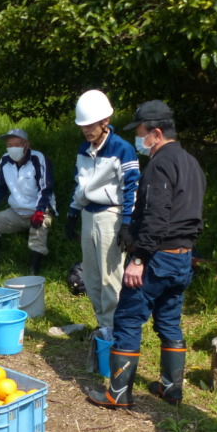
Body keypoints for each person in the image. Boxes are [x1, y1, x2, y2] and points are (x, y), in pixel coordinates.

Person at [85, 101, 206, 409]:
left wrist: (138, 258)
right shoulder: (191, 162)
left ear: (155, 132)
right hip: (182, 257)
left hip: (157, 258)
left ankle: (118, 393)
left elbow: (156, 214)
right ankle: (170, 389)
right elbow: (191, 215)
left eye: (140, 132)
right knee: (169, 320)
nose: (139, 139)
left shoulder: (160, 164)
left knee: (127, 317)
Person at [65, 90, 140, 330]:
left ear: (104, 121)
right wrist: (72, 213)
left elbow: (132, 186)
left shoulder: (122, 149)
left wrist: (127, 224)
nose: (87, 130)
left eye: (91, 125)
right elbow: (80, 183)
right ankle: (102, 325)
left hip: (111, 215)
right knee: (92, 276)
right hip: (88, 214)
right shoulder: (82, 149)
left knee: (111, 278)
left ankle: (114, 329)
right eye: (82, 126)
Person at [0, 128, 56, 278]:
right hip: (16, 211)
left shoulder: (38, 159)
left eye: (17, 144)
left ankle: (34, 271)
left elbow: (46, 186)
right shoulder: (5, 160)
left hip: (40, 210)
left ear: (27, 145)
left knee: (38, 229)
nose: (13, 148)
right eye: (10, 145)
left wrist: (40, 210)